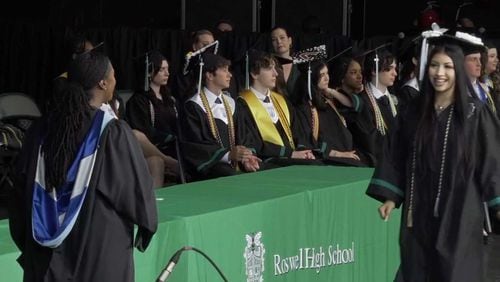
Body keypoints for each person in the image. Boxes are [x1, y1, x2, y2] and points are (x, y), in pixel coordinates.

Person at [8, 51, 157, 281]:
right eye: (114, 76)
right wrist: (147, 224)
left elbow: (19, 193)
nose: (116, 82)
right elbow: (135, 190)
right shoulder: (113, 133)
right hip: (98, 250)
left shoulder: (40, 131)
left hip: (46, 257)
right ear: (103, 82)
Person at [366, 38, 500, 281]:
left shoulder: (474, 113)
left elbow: (492, 159)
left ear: (457, 70)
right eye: (434, 65)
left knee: (455, 271)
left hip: (460, 211)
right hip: (419, 211)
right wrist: (391, 197)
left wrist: (497, 201)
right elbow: (396, 153)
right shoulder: (414, 112)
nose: (440, 73)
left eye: (447, 67)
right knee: (418, 269)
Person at [182, 53, 260, 179]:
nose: (230, 75)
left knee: (263, 168)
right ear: (209, 75)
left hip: (236, 164)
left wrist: (246, 157)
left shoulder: (231, 103)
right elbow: (196, 146)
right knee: (229, 175)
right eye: (224, 71)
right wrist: (228, 155)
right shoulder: (193, 106)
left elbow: (244, 136)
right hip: (210, 167)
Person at [236, 50, 316, 166]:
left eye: (275, 68)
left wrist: (303, 152)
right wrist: (290, 154)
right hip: (267, 160)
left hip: (291, 158)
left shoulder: (282, 101)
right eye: (269, 69)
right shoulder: (242, 104)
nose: (276, 74)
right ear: (254, 73)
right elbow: (252, 142)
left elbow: (298, 132)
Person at [293, 60, 368, 166]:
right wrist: (339, 154)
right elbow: (312, 142)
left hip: (344, 151)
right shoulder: (305, 106)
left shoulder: (327, 99)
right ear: (312, 77)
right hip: (328, 157)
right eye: (322, 74)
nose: (327, 78)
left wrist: (329, 90)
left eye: (327, 73)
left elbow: (354, 105)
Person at [125, 50, 180, 187]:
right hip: (153, 147)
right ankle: (169, 162)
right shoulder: (138, 100)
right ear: (149, 72)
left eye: (167, 69)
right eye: (162, 70)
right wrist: (168, 137)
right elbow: (143, 131)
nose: (167, 73)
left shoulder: (171, 100)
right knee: (138, 136)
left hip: (175, 146)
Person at [270, 27, 300, 98]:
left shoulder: (300, 64)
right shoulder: (268, 64)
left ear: (290, 40)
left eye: (282, 37)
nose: (279, 42)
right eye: (274, 40)